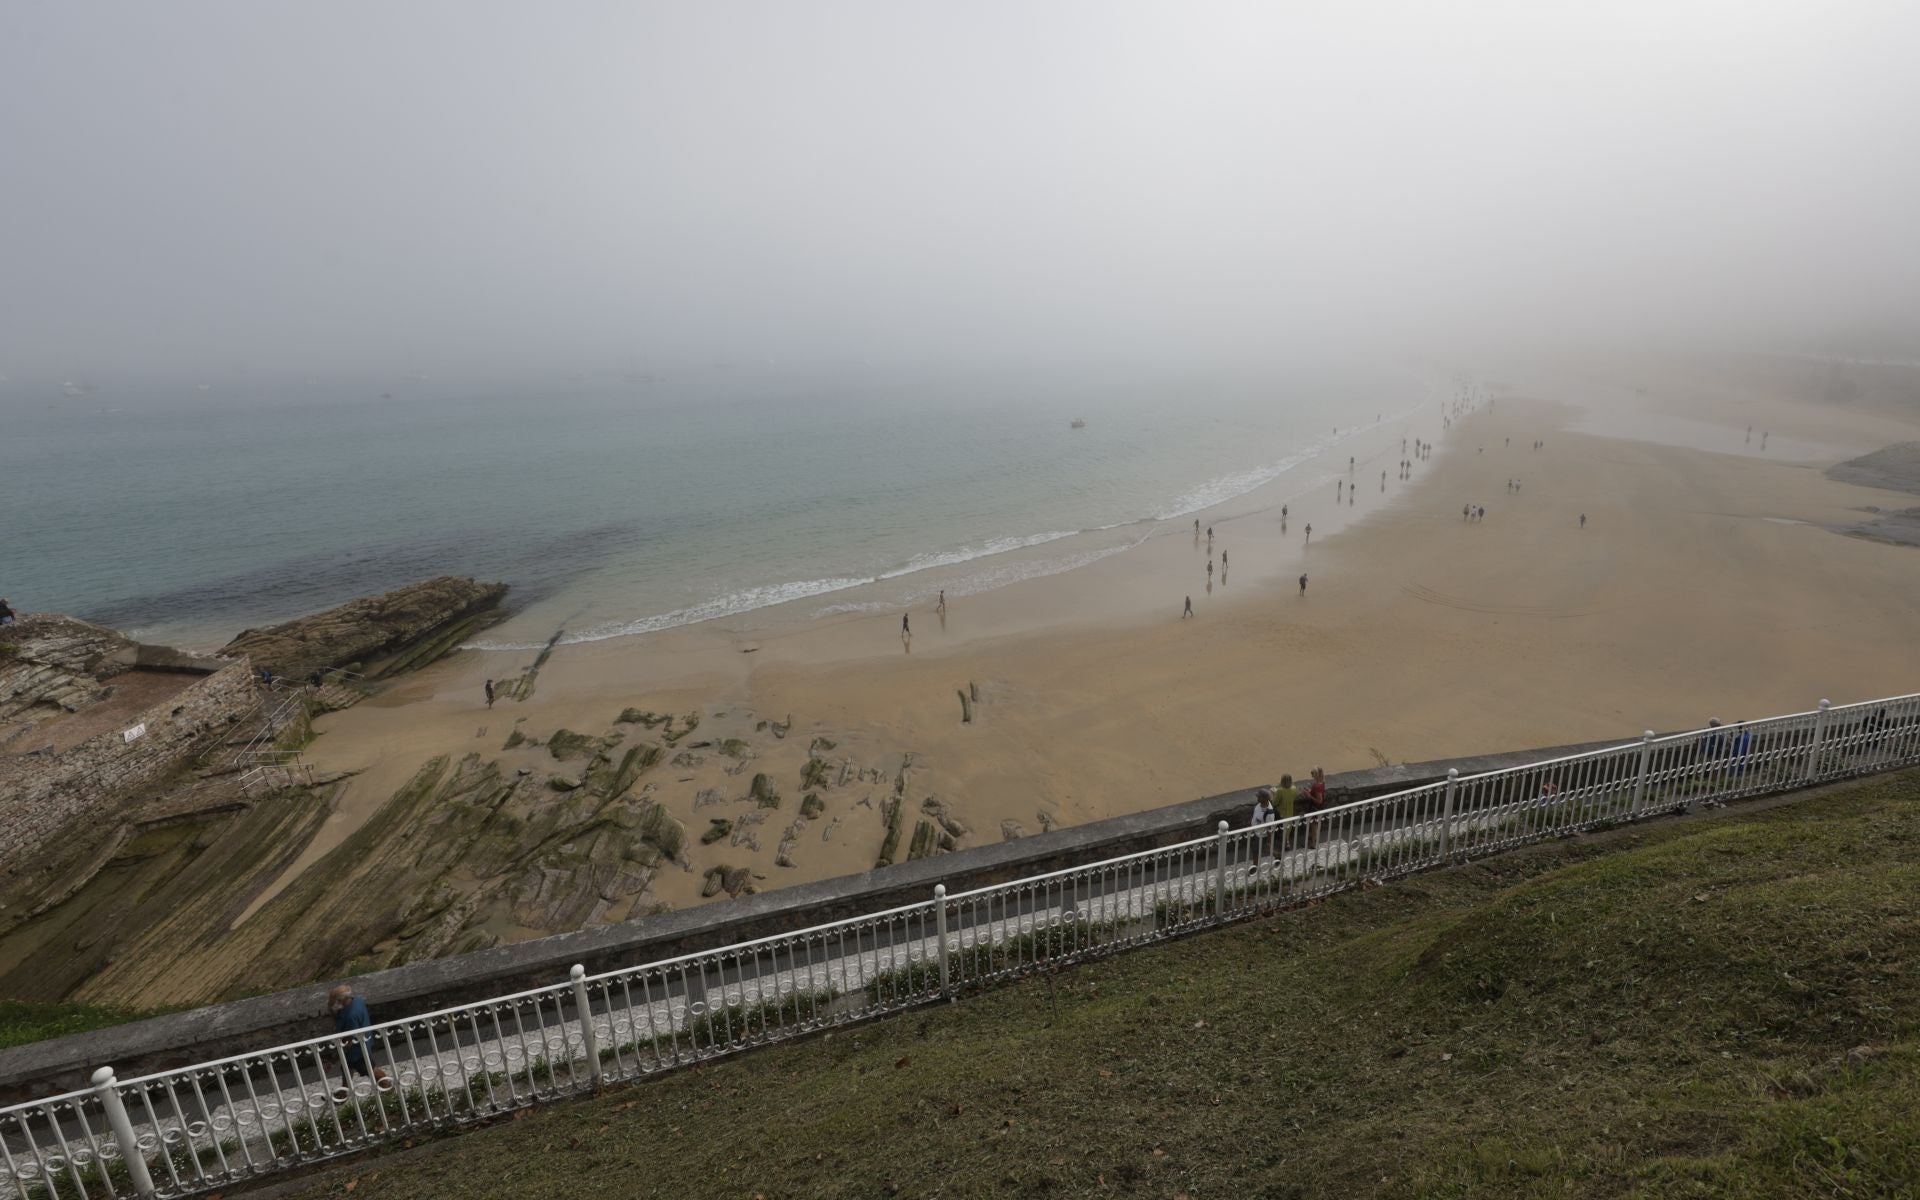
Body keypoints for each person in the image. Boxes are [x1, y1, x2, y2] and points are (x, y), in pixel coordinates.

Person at [327, 984, 388, 1090]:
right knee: (347, 1068)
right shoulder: (357, 1001)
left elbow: (348, 1042)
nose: (335, 1003)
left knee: (370, 1069)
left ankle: (387, 1086)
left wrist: (334, 1060)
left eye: (336, 1000)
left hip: (357, 1051)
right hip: (363, 1043)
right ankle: (343, 1094)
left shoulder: (351, 1016)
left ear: (343, 999)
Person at [1249, 787, 1277, 872]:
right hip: (1256, 831)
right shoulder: (1259, 804)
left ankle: (1255, 866)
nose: (1257, 798)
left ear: (1264, 798)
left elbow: (1270, 828)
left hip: (1262, 835)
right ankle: (1277, 856)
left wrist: (1268, 841)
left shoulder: (1269, 812)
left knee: (1257, 850)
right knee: (1263, 850)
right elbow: (1255, 815)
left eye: (1259, 796)